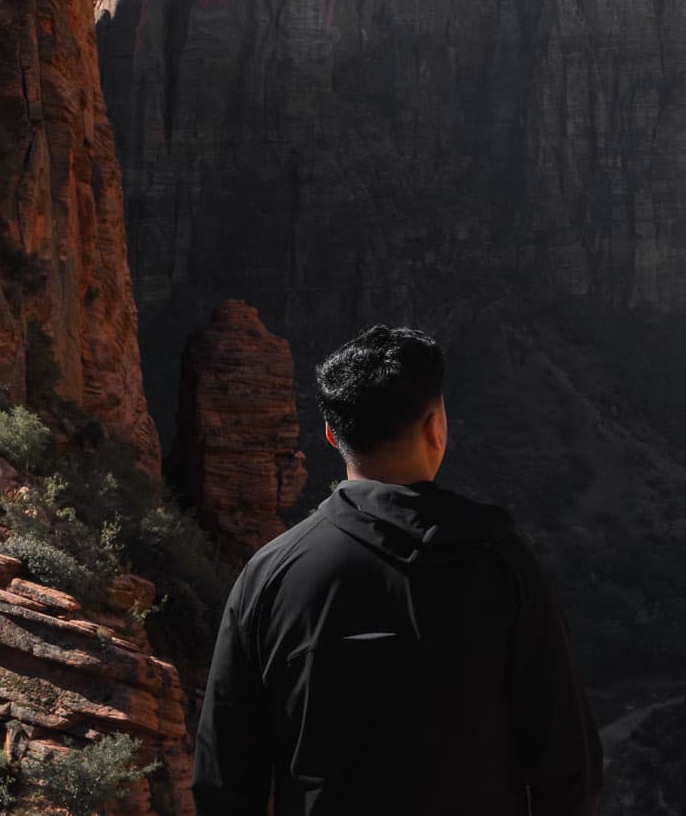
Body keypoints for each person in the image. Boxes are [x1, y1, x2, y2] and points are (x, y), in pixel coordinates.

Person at [192, 325, 602, 814]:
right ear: (436, 428)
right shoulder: (505, 567)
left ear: (330, 434)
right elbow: (568, 766)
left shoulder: (269, 578)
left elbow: (224, 782)